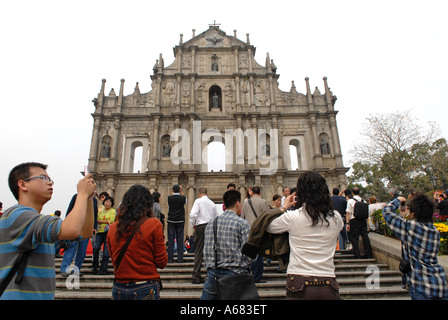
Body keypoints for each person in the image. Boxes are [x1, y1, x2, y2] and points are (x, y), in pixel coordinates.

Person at [0, 162, 95, 300]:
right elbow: (72, 229)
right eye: (43, 178)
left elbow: (85, 232)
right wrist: (82, 194)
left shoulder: (37, 222)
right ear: (22, 185)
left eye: (50, 180)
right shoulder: (17, 215)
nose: (50, 183)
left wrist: (88, 198)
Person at [266, 171, 344, 300]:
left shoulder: (293, 217)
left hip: (299, 281)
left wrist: (283, 207)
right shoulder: (336, 218)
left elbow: (268, 226)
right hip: (328, 282)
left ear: (300, 193)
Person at [382, 193, 448, 300]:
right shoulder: (434, 231)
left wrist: (398, 199)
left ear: (412, 213)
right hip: (439, 284)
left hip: (421, 285)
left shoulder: (411, 228)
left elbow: (387, 212)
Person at [107, 185, 168, 300]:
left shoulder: (113, 228)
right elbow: (162, 262)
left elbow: (114, 260)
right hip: (145, 286)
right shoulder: (154, 224)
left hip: (119, 287)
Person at [201, 189, 253, 300]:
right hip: (234, 275)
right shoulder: (242, 223)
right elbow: (249, 253)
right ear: (238, 203)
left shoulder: (211, 223)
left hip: (212, 275)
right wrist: (241, 266)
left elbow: (206, 251)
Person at [60, 194, 98, 277]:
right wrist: (67, 222)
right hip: (75, 225)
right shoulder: (77, 196)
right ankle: (64, 269)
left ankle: (76, 270)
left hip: (86, 228)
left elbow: (95, 214)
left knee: (82, 250)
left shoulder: (94, 201)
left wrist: (94, 226)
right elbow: (69, 210)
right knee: (71, 248)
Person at [189, 187, 219, 284]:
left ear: (199, 193)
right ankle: (209, 275)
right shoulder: (212, 204)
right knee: (210, 251)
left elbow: (193, 214)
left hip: (201, 226)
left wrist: (192, 224)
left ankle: (196, 275)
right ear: (207, 193)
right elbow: (216, 217)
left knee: (199, 250)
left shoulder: (198, 201)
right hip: (210, 226)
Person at [241, 185, 270, 283]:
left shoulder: (246, 202)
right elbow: (267, 218)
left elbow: (242, 216)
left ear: (251, 192)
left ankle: (250, 274)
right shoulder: (264, 202)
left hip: (248, 230)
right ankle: (257, 277)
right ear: (260, 193)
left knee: (249, 253)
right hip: (259, 231)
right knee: (259, 254)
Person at [346, 187, 373, 259]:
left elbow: (348, 213)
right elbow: (367, 214)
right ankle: (368, 254)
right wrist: (367, 225)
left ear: (352, 193)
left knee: (354, 238)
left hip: (354, 220)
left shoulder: (350, 201)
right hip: (363, 220)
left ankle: (357, 254)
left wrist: (347, 223)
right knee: (365, 237)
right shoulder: (363, 201)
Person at [92, 196, 116, 274]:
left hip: (108, 232)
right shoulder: (100, 210)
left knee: (106, 252)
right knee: (96, 248)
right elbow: (96, 220)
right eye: (106, 201)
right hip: (99, 232)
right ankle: (95, 266)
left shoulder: (113, 211)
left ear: (112, 203)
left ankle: (103, 269)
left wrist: (101, 221)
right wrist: (106, 221)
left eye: (109, 202)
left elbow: (111, 220)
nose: (107, 203)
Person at [167, 185, 187, 263]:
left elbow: (169, 204)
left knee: (171, 240)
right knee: (180, 239)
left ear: (172, 190)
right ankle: (180, 258)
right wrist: (181, 192)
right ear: (179, 190)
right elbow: (186, 201)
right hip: (180, 220)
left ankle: (170, 258)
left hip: (171, 220)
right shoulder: (182, 198)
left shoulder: (169, 198)